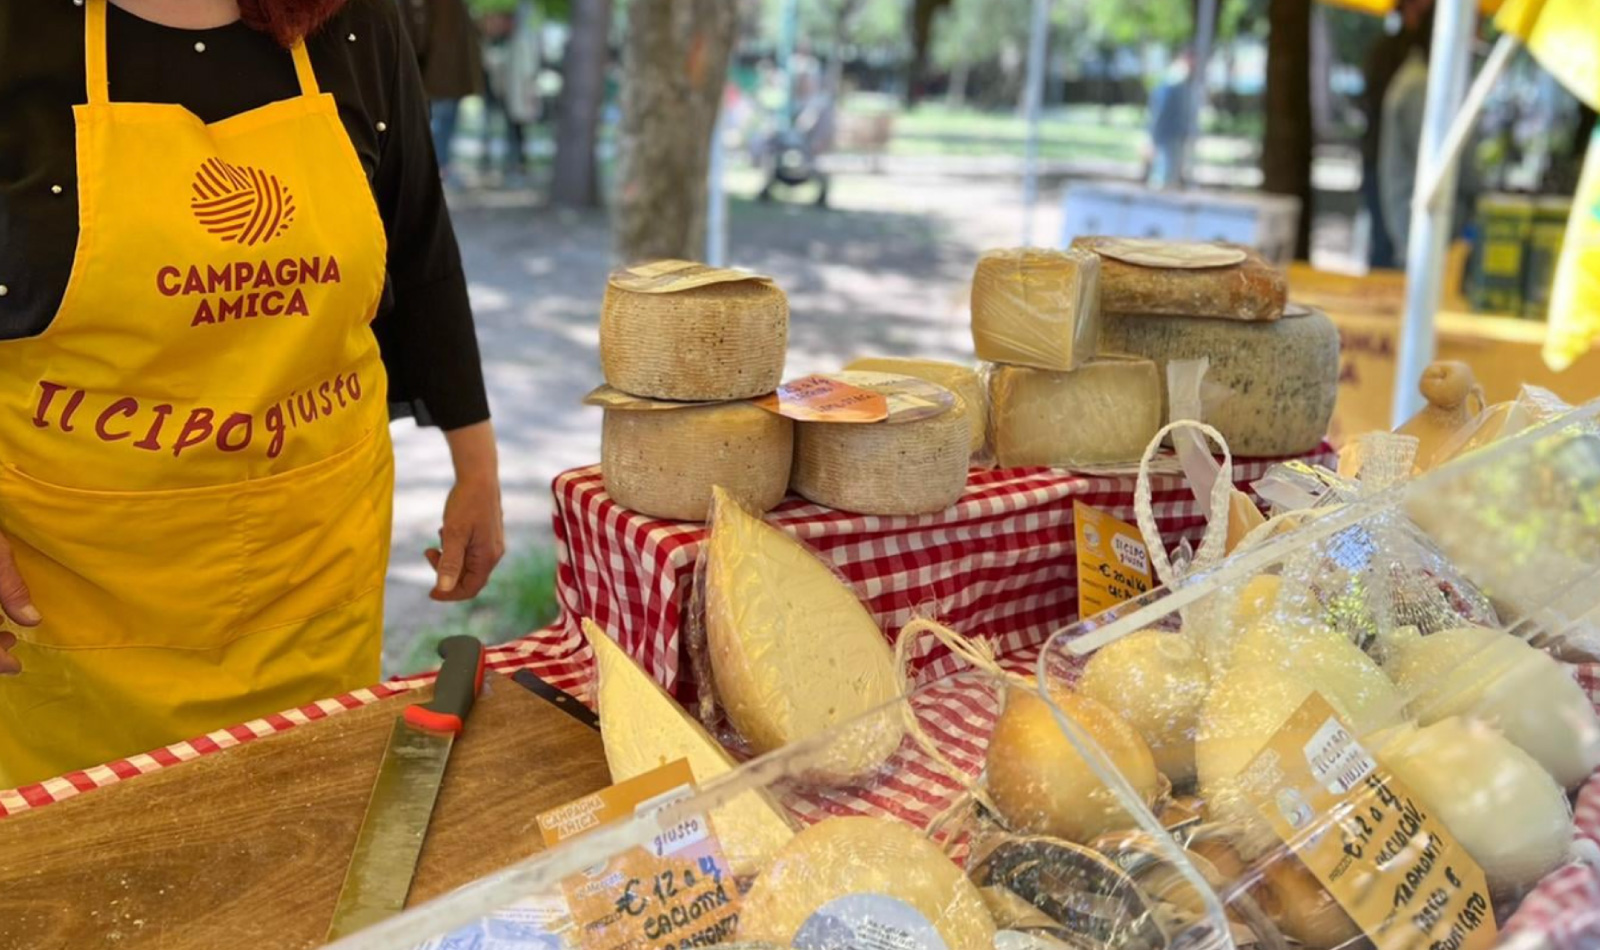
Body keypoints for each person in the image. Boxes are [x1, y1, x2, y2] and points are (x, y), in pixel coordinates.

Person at [0, 0, 505, 789]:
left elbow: (418, 243)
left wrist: (476, 466)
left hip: (313, 572)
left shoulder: (351, 20)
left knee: (301, 854)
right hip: (74, 596)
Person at [398, 0, 482, 183]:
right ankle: (435, 167)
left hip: (439, 70)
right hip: (443, 71)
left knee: (440, 123)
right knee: (440, 123)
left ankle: (436, 167)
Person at [1146, 49, 1194, 190]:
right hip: (1166, 136)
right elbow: (1160, 110)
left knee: (1168, 176)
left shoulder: (1180, 81)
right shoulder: (1173, 80)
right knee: (1163, 177)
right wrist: (1152, 138)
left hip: (1173, 135)